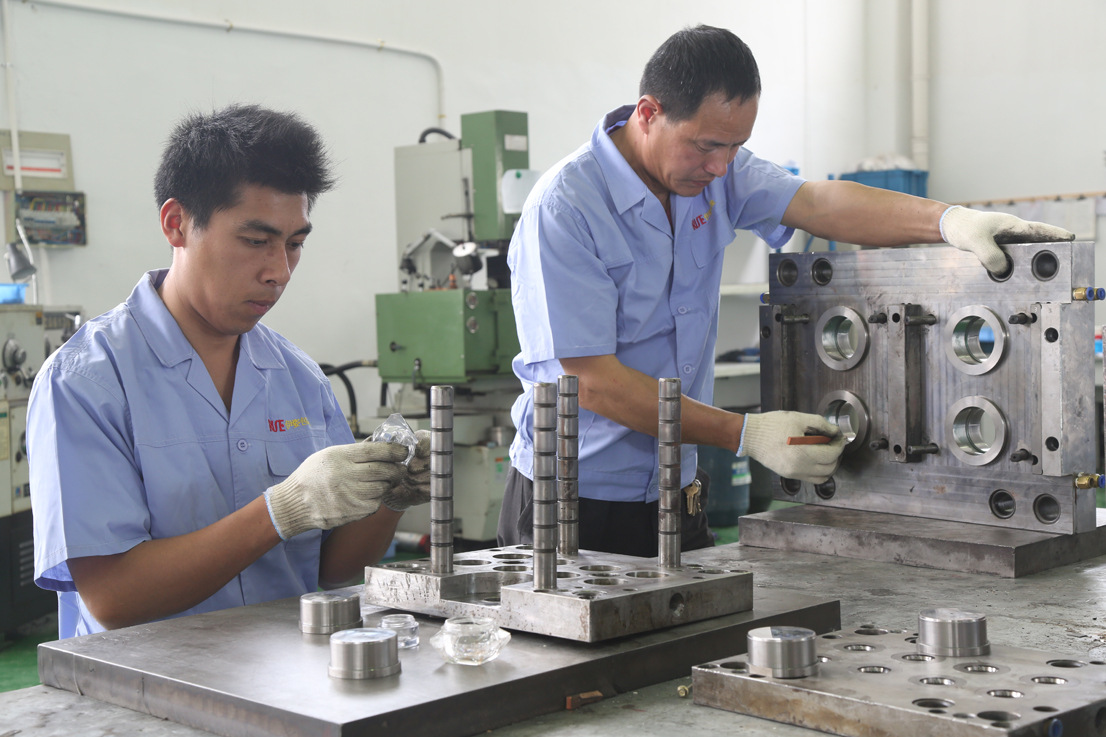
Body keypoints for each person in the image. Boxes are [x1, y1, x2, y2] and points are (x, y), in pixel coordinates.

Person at [498, 25, 1073, 557]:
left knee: (684, 660)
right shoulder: (567, 208)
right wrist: (744, 433)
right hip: (574, 498)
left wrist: (949, 222)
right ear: (648, 113)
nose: (721, 168)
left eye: (734, 146)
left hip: (677, 487)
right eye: (705, 146)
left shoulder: (714, 173)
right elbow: (592, 384)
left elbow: (819, 203)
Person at [31, 104, 430, 639]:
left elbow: (332, 571)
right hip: (148, 692)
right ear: (177, 224)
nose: (279, 271)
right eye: (256, 240)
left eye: (295, 244)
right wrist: (281, 510)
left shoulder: (298, 378)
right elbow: (114, 599)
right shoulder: (89, 382)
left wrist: (389, 497)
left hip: (288, 680)